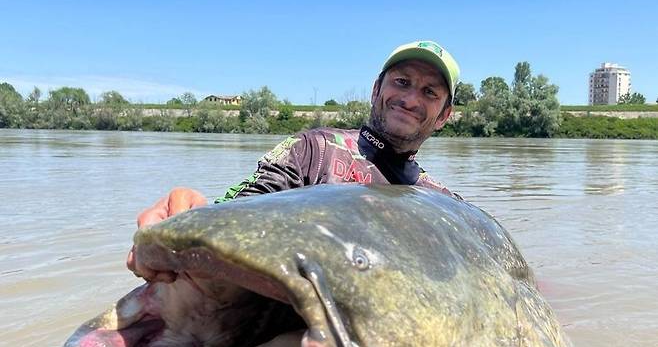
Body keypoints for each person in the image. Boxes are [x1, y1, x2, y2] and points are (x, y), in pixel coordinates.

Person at [128, 40, 461, 281]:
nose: (410, 98)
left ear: (444, 114)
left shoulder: (445, 205)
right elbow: (243, 209)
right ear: (376, 90)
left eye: (429, 92)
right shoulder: (313, 150)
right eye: (402, 82)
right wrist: (190, 216)